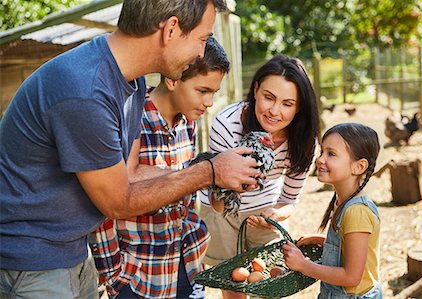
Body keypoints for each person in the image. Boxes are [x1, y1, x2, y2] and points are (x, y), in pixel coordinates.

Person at [0, 1, 262, 298]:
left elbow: (130, 172)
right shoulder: (86, 91)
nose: (202, 53)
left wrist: (210, 172)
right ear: (171, 29)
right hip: (32, 263)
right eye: (202, 39)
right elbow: (118, 201)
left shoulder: (130, 80)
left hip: (72, 251)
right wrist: (209, 172)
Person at [91, 36, 230, 299]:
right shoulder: (131, 119)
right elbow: (104, 205)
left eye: (214, 92)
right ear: (173, 79)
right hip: (139, 277)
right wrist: (115, 278)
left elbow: (186, 187)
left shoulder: (189, 122)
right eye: (203, 91)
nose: (209, 102)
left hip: (187, 265)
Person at [199, 55, 320, 299]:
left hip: (266, 208)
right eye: (269, 97)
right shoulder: (227, 125)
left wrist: (275, 214)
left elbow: (289, 200)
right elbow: (218, 201)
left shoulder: (304, 142)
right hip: (223, 211)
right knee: (233, 281)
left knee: (269, 280)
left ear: (299, 107)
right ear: (256, 90)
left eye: (288, 104)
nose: (275, 111)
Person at [282, 123, 382, 299]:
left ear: (358, 167)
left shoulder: (356, 212)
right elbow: (350, 246)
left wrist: (303, 265)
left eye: (331, 154)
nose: (320, 159)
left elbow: (351, 277)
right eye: (322, 152)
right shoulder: (342, 201)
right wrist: (322, 241)